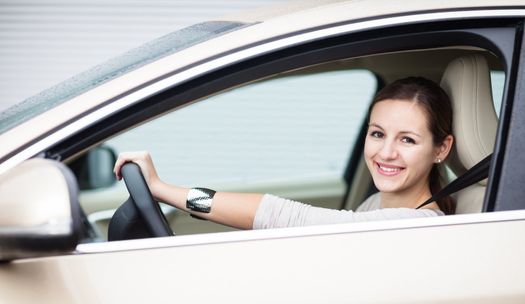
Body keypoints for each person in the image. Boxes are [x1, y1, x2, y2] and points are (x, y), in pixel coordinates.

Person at [113, 76, 454, 230]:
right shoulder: (380, 205)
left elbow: (280, 215)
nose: (386, 152)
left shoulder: (413, 224)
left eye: (407, 140)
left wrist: (164, 190)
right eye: (377, 134)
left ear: (442, 148)